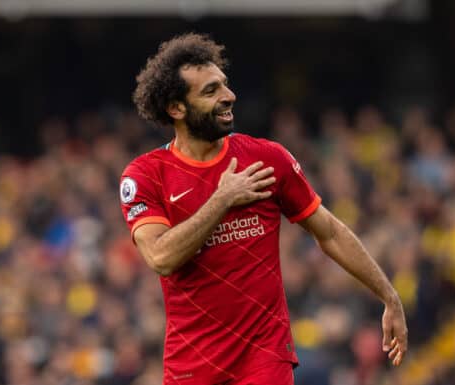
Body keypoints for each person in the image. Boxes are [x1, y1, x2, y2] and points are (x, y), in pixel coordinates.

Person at [119, 33, 407, 385]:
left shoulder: (266, 158)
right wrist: (223, 199)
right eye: (210, 91)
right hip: (192, 364)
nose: (228, 96)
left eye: (224, 85)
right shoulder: (146, 175)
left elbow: (329, 232)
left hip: (265, 357)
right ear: (176, 108)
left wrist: (389, 296)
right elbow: (161, 258)